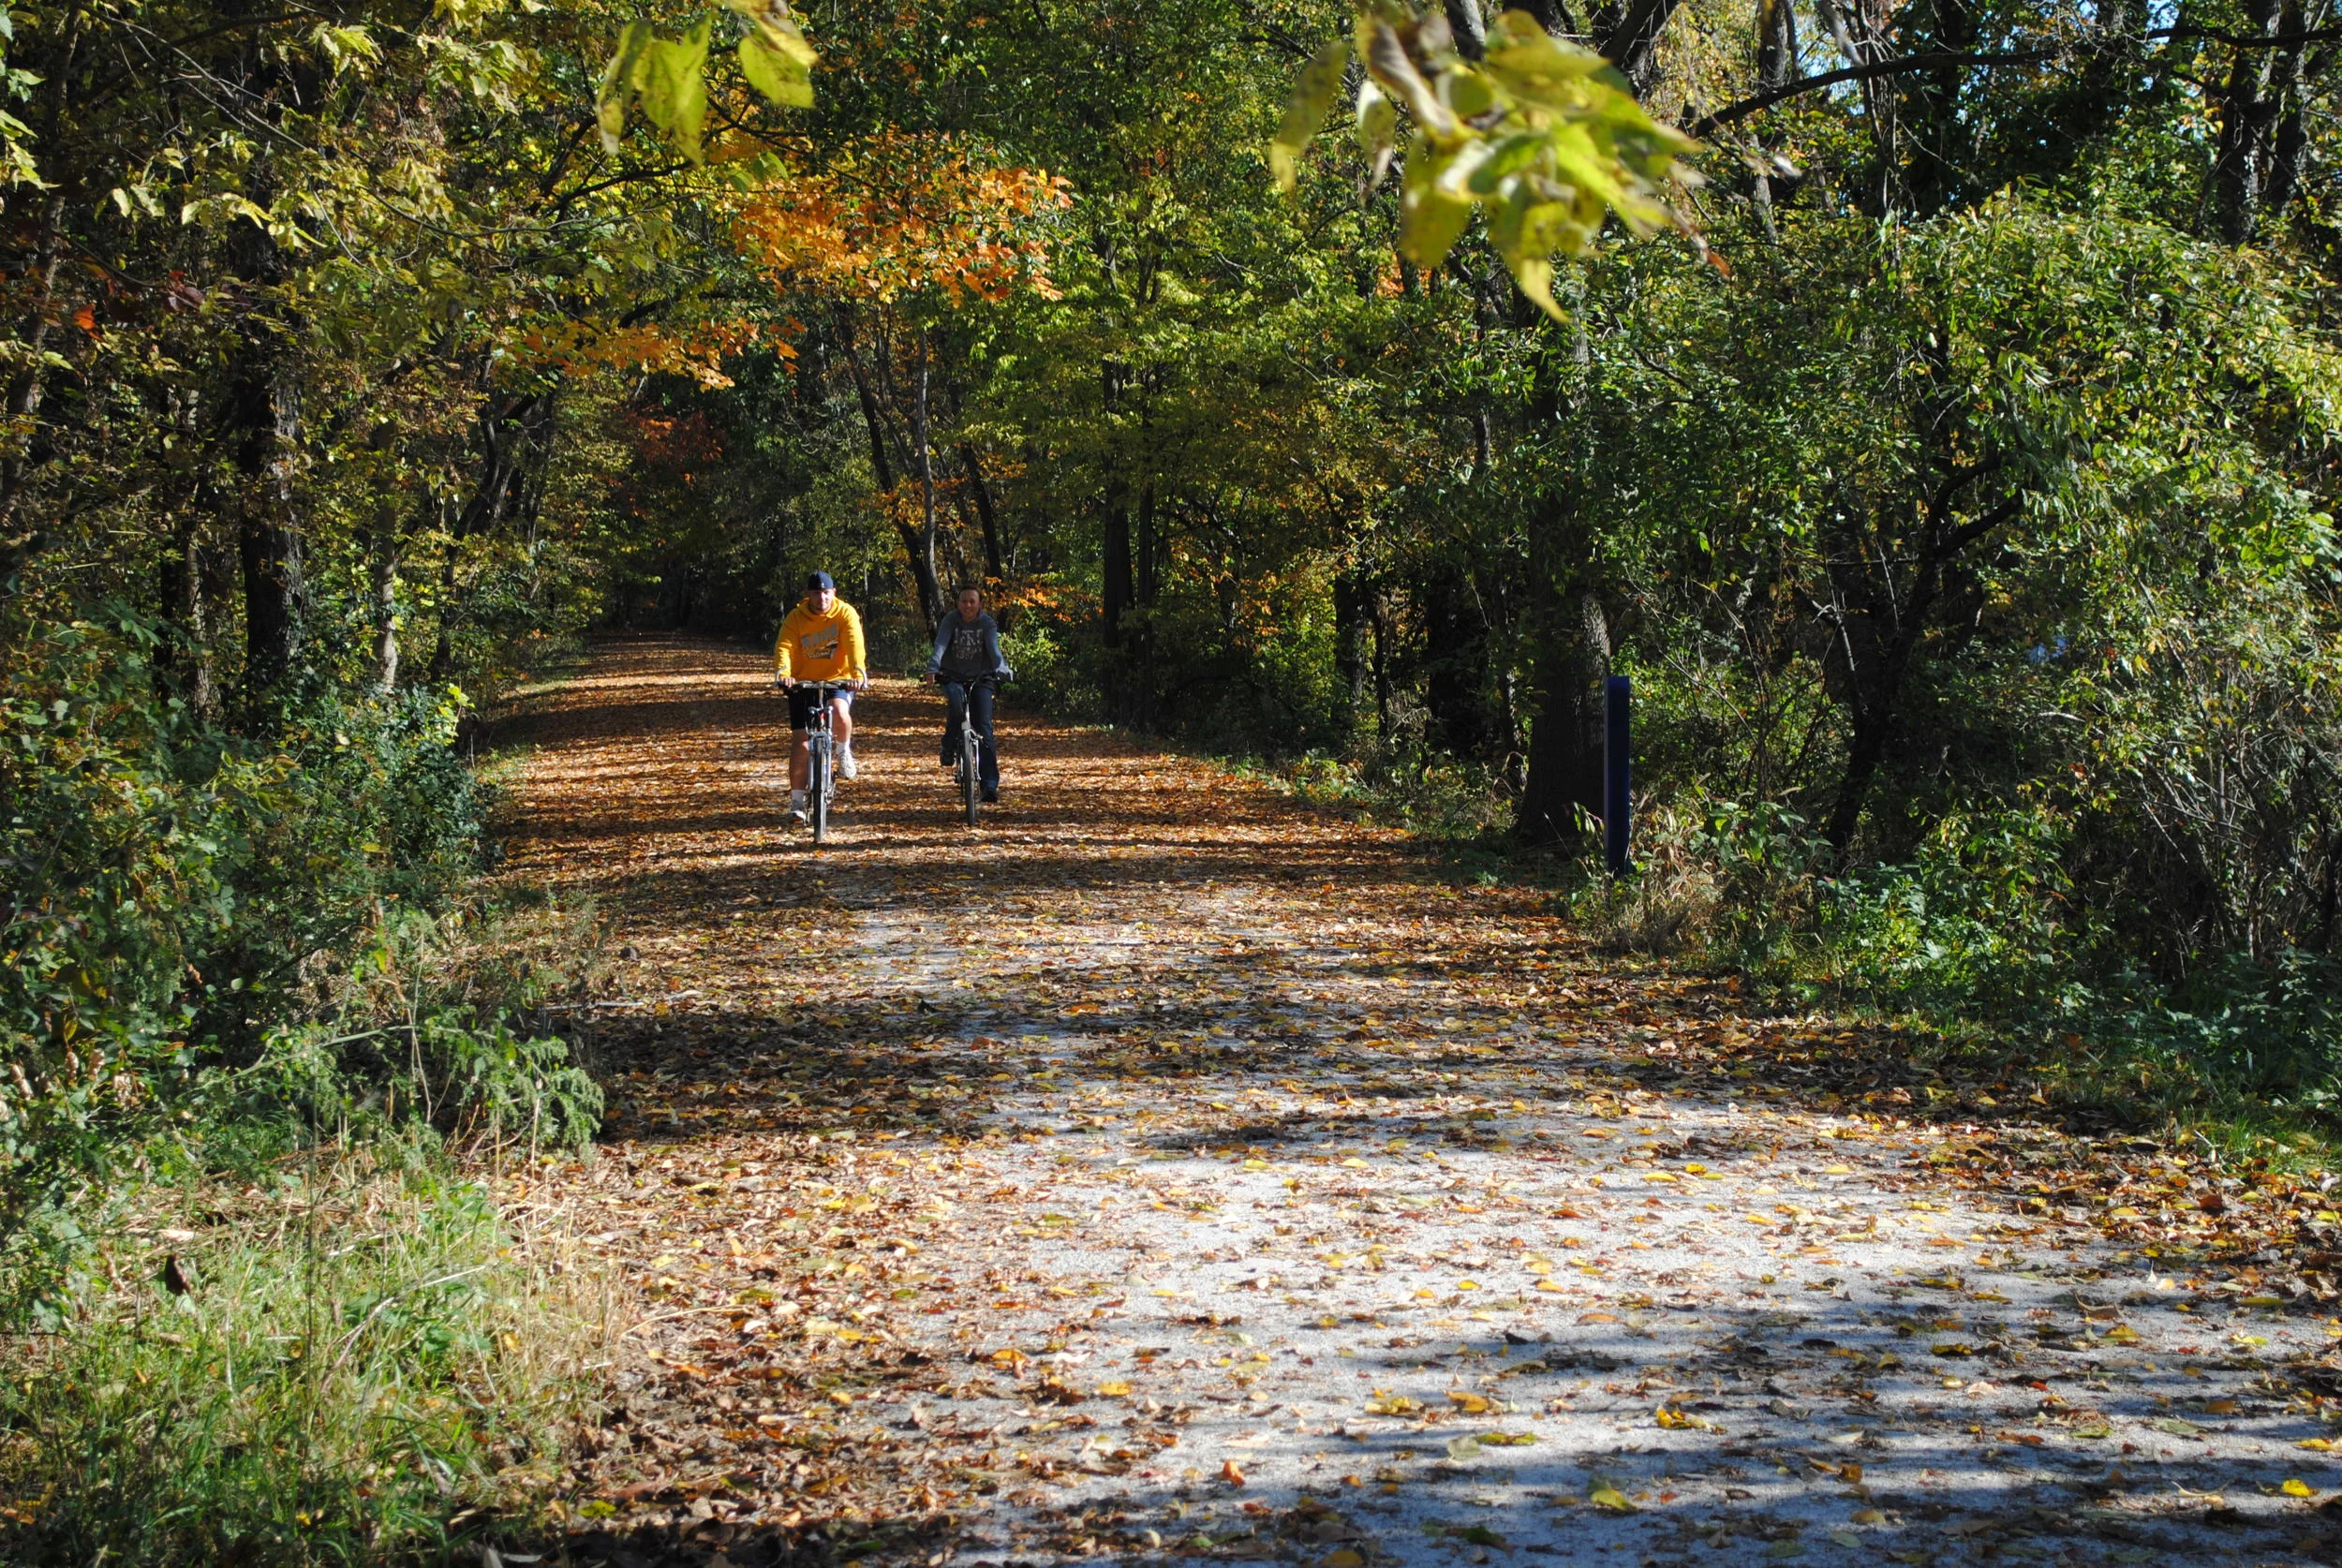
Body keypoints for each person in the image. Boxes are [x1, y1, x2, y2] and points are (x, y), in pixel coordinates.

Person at [773, 571, 867, 823]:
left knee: (839, 711)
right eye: (816, 593)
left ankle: (842, 750)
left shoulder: (845, 613)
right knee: (801, 741)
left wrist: (858, 670)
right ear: (808, 595)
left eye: (826, 592)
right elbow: (785, 646)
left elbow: (854, 641)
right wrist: (784, 673)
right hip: (803, 684)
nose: (821, 598)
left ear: (833, 593)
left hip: (838, 679)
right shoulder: (795, 618)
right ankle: (796, 801)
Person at [926, 583, 1008, 803]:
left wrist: (1002, 668)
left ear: (979, 603)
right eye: (964, 601)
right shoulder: (951, 620)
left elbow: (994, 649)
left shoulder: (987, 623)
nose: (968, 605)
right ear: (958, 603)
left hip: (981, 678)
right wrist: (933, 668)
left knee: (984, 728)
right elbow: (940, 645)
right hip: (953, 675)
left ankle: (989, 785)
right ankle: (949, 744)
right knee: (955, 705)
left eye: (972, 601)